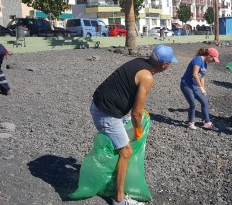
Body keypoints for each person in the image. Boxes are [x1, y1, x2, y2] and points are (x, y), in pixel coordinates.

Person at [90, 44, 177, 205]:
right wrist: (138, 130)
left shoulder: (139, 62)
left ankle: (114, 179)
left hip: (99, 103)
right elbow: (136, 113)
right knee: (126, 152)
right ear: (165, 64)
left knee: (121, 146)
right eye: (170, 63)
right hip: (105, 113)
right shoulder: (148, 77)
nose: (170, 66)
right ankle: (119, 198)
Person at [180, 47, 220, 131]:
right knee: (193, 104)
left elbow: (202, 77)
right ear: (209, 55)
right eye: (213, 59)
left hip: (195, 86)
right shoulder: (198, 60)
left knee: (204, 101)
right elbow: (195, 74)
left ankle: (207, 123)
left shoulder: (205, 64)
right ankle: (190, 123)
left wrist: (203, 89)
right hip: (186, 85)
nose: (213, 62)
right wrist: (201, 87)